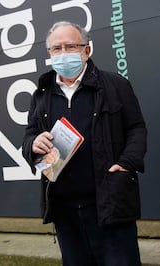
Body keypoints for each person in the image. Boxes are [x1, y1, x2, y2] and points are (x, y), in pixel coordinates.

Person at [22, 21, 147, 266]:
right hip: (64, 208)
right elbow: (30, 135)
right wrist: (33, 144)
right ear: (49, 54)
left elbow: (136, 128)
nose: (63, 53)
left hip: (109, 202)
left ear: (87, 50)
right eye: (56, 48)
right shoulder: (41, 94)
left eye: (70, 46)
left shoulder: (115, 85)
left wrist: (127, 163)